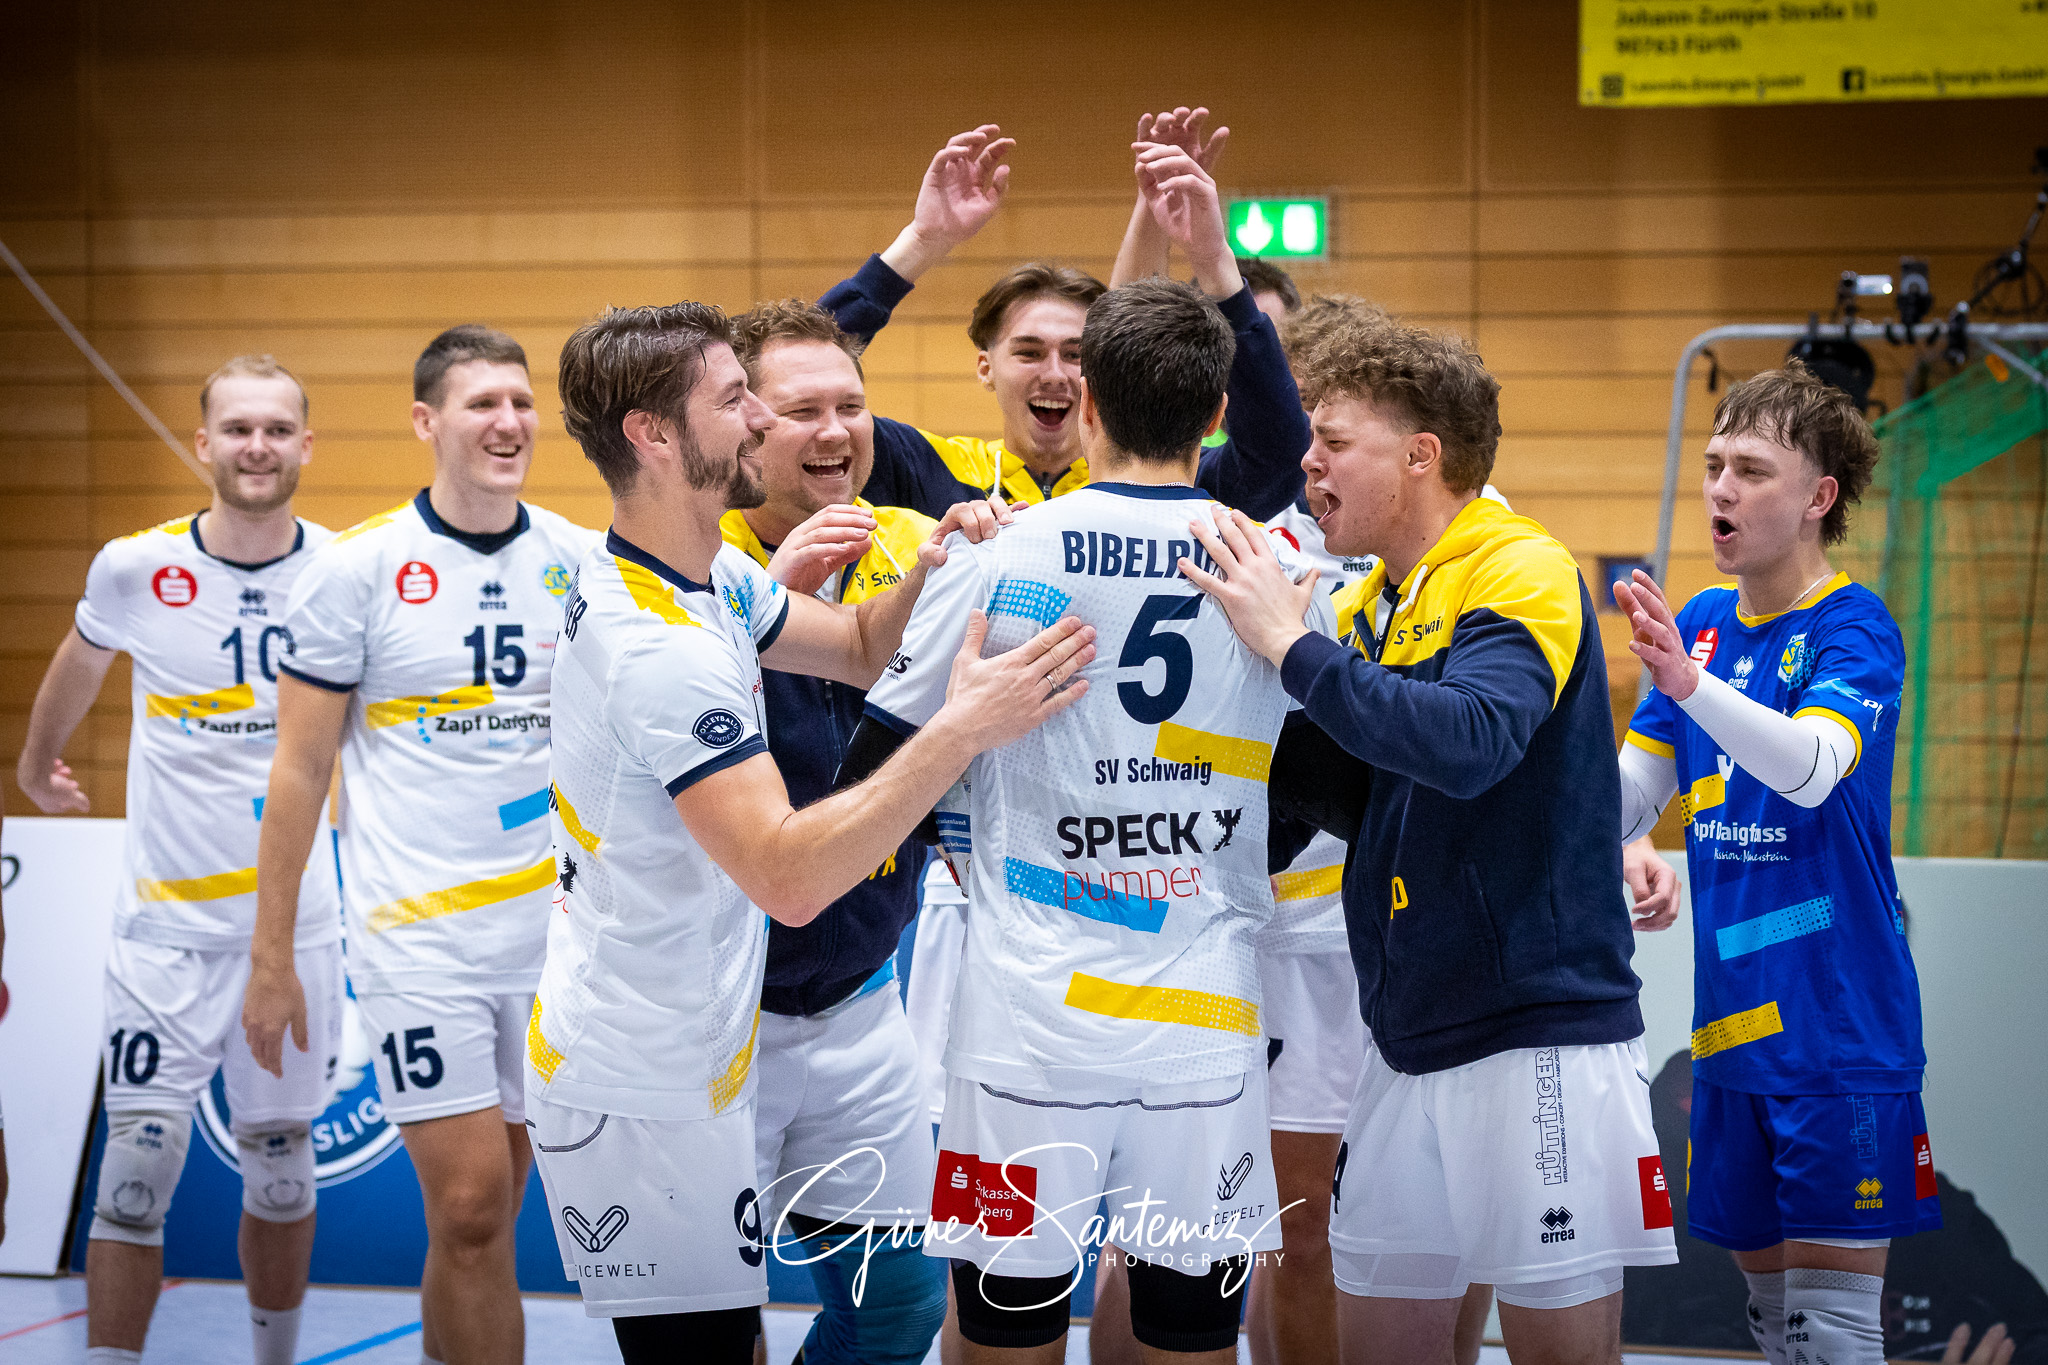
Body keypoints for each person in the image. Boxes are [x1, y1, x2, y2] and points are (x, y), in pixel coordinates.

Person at [527, 299, 1092, 1364]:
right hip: (646, 1065)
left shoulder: (714, 577)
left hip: (772, 1015)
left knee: (892, 1310)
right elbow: (787, 877)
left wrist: (938, 568)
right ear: (653, 435)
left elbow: (853, 649)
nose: (758, 424)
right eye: (734, 400)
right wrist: (964, 727)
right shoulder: (657, 647)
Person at [852, 263, 1329, 1364]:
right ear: (1216, 414)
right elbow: (1320, 786)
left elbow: (871, 776)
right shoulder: (1278, 568)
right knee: (1189, 1337)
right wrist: (1210, 857)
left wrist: (969, 828)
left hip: (1026, 1026)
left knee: (1004, 1336)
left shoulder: (993, 557)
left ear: (1091, 403)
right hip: (1202, 1028)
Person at [1184, 312, 1677, 1365]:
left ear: (1420, 457)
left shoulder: (1515, 565)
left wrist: (1285, 649)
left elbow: (1469, 745)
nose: (1304, 465)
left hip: (1533, 1032)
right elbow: (1373, 801)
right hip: (1407, 1036)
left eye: (1333, 443)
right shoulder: (1372, 600)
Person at [243, 325, 599, 1365]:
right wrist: (272, 958)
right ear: (425, 421)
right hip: (417, 943)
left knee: (495, 1204)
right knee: (473, 1199)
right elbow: (299, 773)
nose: (508, 422)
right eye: (483, 403)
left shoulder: (578, 561)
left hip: (553, 939)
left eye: (521, 403)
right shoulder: (356, 570)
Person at [1613, 361, 1938, 1365]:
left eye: (1749, 469)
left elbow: (1808, 769)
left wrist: (1686, 684)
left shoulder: (1853, 627)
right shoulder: (1701, 625)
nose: (1718, 487)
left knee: (1831, 1330)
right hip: (1731, 1036)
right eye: (1713, 464)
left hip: (1839, 1038)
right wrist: (1617, 837)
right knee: (1770, 1328)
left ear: (1815, 498)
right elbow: (1627, 794)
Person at [16, 356, 340, 1365]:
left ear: (305, 446)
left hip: (294, 930)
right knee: (135, 1172)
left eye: (277, 429)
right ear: (203, 445)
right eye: (237, 429)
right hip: (166, 932)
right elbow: (79, 660)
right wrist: (35, 765)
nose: (257, 447)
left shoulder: (345, 569)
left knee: (281, 1170)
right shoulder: (134, 566)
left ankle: (273, 1358)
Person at [717, 297, 951, 1363]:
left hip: (858, 1004)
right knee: (708, 1329)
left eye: (850, 406)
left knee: (899, 1311)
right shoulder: (679, 568)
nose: (835, 431)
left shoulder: (914, 547)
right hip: (708, 1022)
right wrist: (769, 600)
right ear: (737, 428)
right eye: (800, 408)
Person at [817, 123, 1310, 523]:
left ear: (1099, 375)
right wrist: (921, 243)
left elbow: (1280, 452)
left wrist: (1213, 260)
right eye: (1028, 352)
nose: (1054, 373)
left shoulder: (1168, 480)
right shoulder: (924, 468)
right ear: (986, 367)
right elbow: (799, 369)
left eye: (1075, 355)